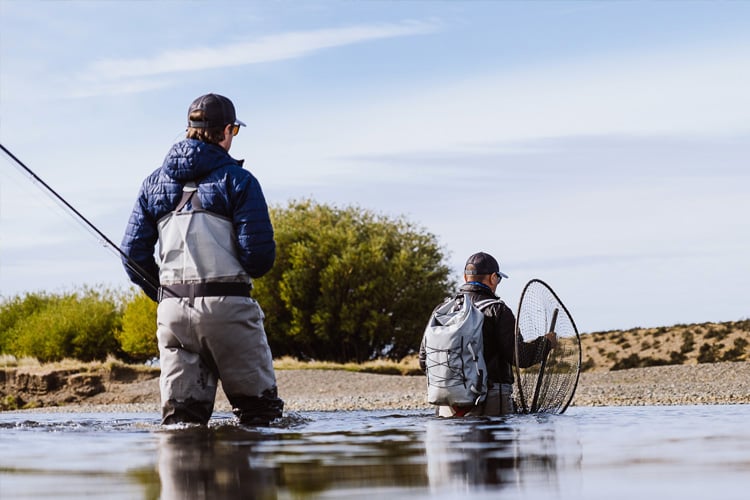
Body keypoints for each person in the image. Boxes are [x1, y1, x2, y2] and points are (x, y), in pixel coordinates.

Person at [121, 93, 283, 425]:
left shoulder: (153, 184)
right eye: (234, 131)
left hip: (173, 314)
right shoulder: (239, 181)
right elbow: (259, 258)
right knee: (261, 419)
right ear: (226, 131)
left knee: (182, 423)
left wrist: (163, 293)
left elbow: (132, 255)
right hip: (229, 309)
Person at [419, 251, 556, 416]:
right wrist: (547, 343)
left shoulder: (442, 311)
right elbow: (520, 357)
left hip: (447, 403)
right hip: (491, 400)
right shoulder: (498, 310)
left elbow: (423, 361)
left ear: (465, 277)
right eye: (498, 279)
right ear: (493, 278)